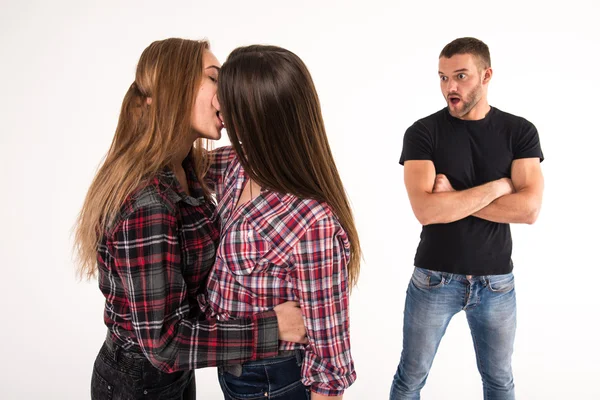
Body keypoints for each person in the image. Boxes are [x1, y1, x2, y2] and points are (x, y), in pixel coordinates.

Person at [73, 38, 306, 400]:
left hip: (172, 376)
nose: (226, 93)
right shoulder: (148, 200)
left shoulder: (185, 166)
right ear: (175, 88)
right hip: (140, 383)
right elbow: (164, 345)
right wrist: (272, 328)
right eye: (216, 79)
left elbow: (263, 154)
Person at [389, 37, 545, 400]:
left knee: (499, 381)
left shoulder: (520, 132)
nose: (450, 88)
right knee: (409, 379)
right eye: (443, 78)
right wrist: (500, 186)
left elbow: (529, 210)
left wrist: (451, 200)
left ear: (486, 75)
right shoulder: (423, 133)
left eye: (460, 76)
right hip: (433, 279)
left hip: (496, 283)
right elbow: (425, 211)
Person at [202, 45, 361, 399]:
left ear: (255, 114)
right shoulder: (237, 166)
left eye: (224, 97)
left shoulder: (312, 221)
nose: (216, 104)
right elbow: (175, 158)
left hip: (275, 381)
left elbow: (329, 358)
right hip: (235, 368)